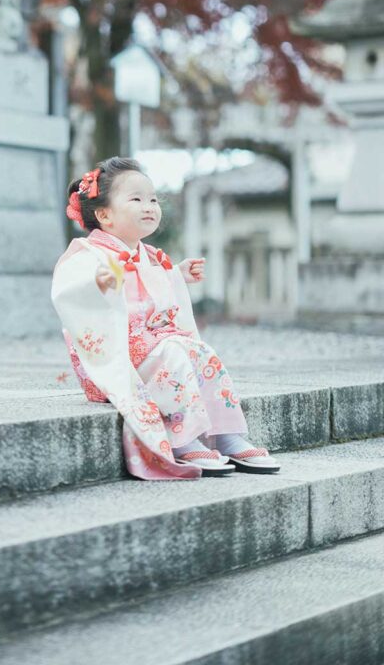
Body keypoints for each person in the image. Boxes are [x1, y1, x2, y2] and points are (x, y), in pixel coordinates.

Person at [51, 155, 280, 480]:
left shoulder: (148, 254)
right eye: (136, 199)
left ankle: (224, 433)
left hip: (150, 347)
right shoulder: (88, 254)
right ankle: (182, 437)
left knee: (199, 352)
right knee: (173, 352)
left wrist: (175, 274)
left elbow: (154, 282)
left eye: (153, 199)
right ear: (104, 214)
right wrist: (96, 283)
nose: (149, 206)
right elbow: (68, 289)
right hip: (117, 357)